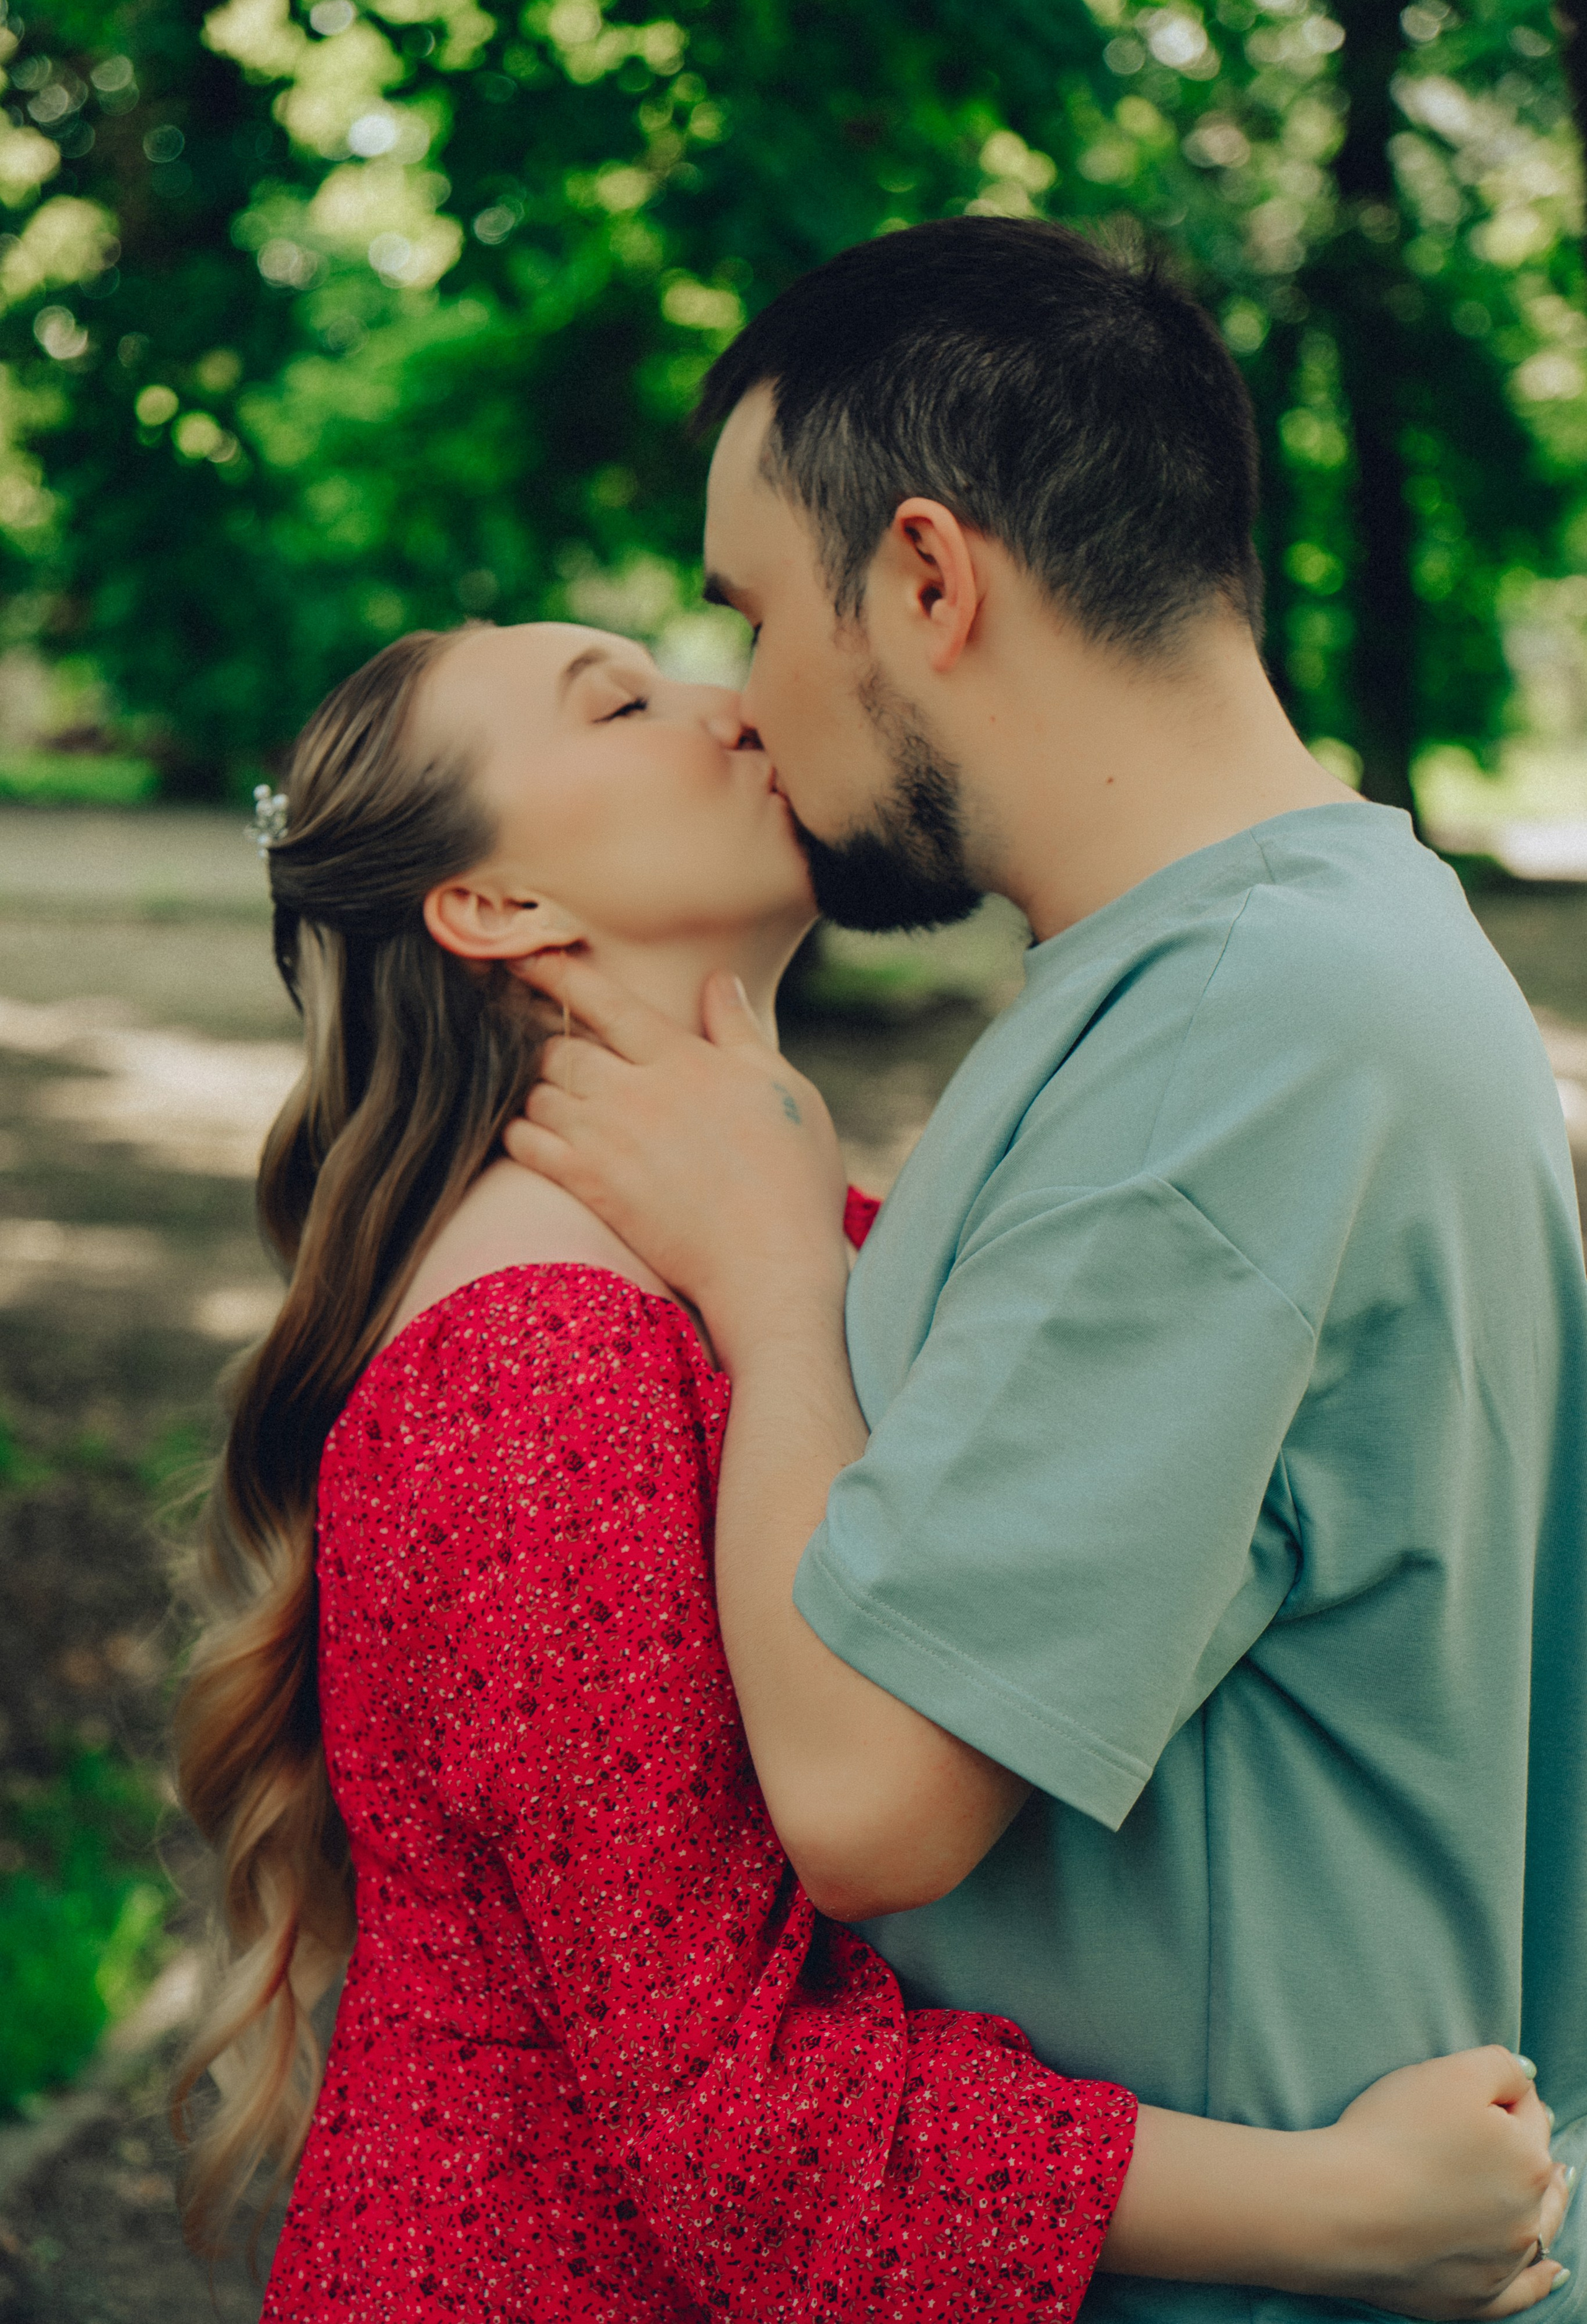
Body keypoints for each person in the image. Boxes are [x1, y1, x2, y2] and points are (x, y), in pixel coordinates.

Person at [171, 620, 1567, 2322]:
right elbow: (727, 2132)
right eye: (625, 702)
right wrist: (1341, 2210)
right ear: (496, 907)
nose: (734, 700)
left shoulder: (755, 1231)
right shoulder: (534, 1369)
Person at [503, 216, 1587, 2324]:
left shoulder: (1240, 1042)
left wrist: (765, 1269)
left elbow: (868, 1799)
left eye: (750, 612)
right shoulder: (1275, 964)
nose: (738, 700)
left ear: (928, 578)